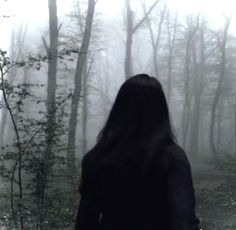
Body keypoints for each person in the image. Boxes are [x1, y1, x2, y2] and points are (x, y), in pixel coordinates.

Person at [75, 74, 200, 230]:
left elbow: (85, 223)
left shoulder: (97, 158)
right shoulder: (172, 157)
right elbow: (184, 221)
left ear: (119, 110)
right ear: (160, 111)